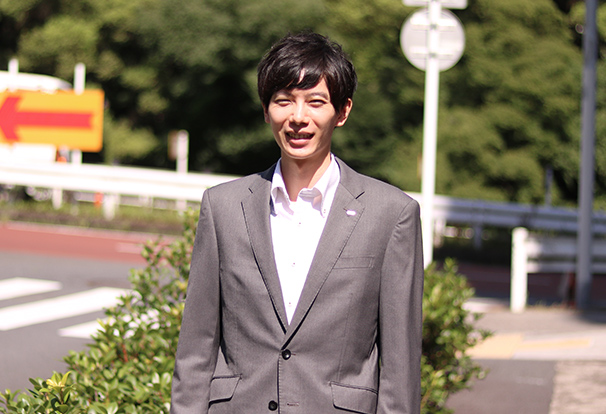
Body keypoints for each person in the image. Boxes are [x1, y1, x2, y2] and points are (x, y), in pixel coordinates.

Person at [170, 31, 424, 414]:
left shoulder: (391, 214)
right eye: (283, 101)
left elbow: (400, 368)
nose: (298, 118)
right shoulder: (223, 207)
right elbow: (196, 348)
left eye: (316, 102)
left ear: (343, 111)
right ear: (266, 109)